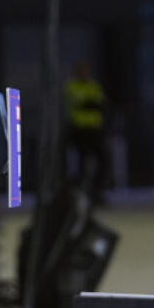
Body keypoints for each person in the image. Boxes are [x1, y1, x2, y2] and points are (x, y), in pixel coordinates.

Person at [64, 60, 107, 202]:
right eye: (81, 71)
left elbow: (100, 103)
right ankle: (81, 193)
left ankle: (98, 192)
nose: (84, 74)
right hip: (80, 130)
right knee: (80, 164)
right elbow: (79, 103)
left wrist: (89, 103)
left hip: (95, 130)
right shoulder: (72, 86)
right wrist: (90, 103)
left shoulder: (94, 85)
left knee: (102, 161)